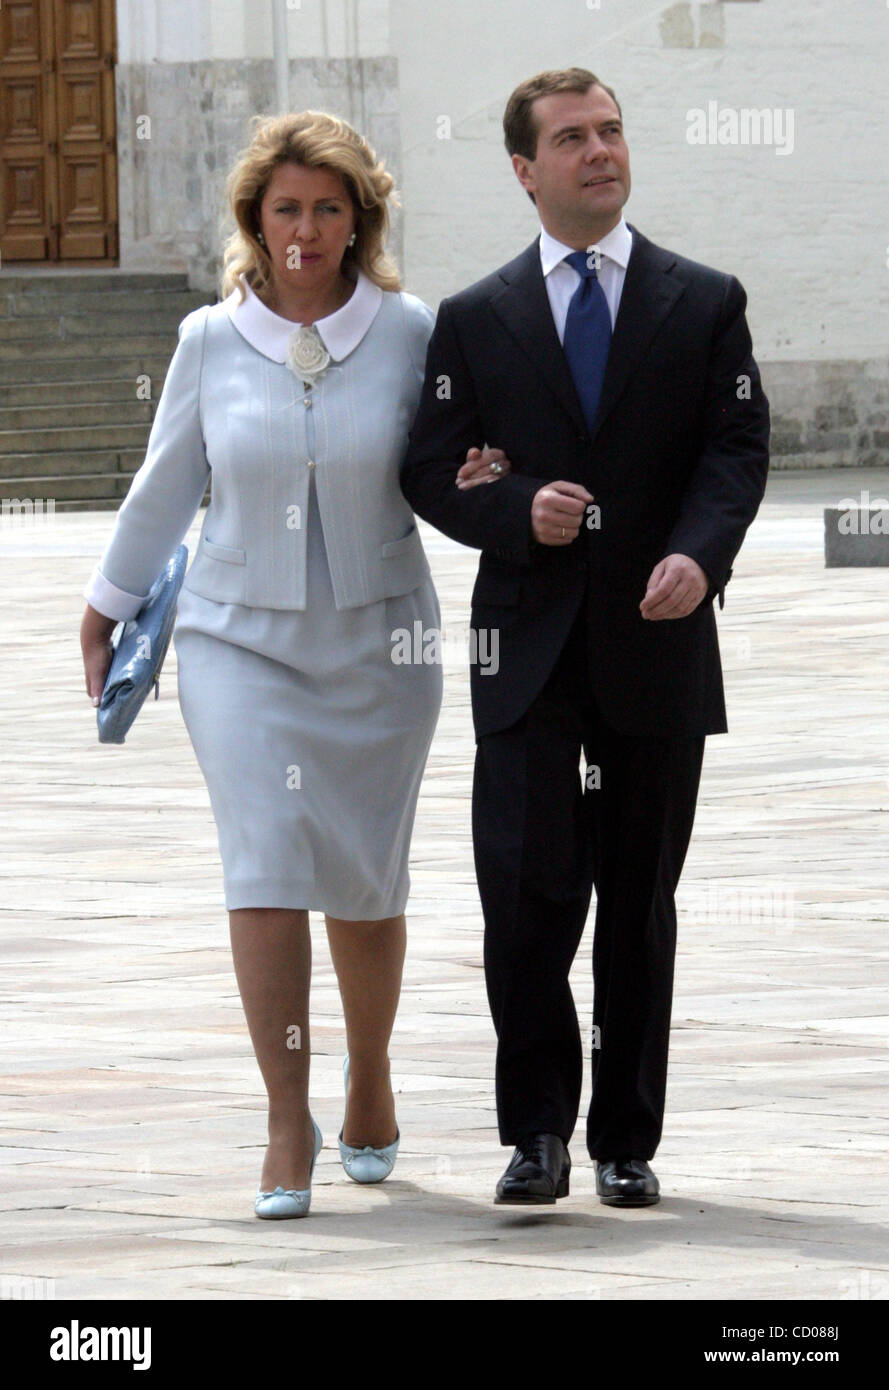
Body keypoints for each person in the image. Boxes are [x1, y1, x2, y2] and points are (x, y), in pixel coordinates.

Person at [79, 111, 509, 1219]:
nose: (306, 231)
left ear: (358, 219)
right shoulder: (207, 341)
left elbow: (460, 458)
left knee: (365, 880)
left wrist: (495, 472)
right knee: (263, 861)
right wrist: (107, 602)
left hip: (380, 640)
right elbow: (167, 478)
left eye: (328, 209)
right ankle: (286, 1115)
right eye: (286, 210)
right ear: (254, 224)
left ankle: (369, 1073)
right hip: (237, 640)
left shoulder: (418, 332)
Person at [401, 69, 770, 1208]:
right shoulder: (474, 317)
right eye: (571, 138)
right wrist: (514, 512)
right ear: (524, 168)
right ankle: (534, 1135)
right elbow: (426, 464)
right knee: (522, 892)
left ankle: (625, 1140)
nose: (599, 151)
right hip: (526, 652)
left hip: (656, 647)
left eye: (610, 131)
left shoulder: (704, 301)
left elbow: (735, 449)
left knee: (636, 899)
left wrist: (699, 555)